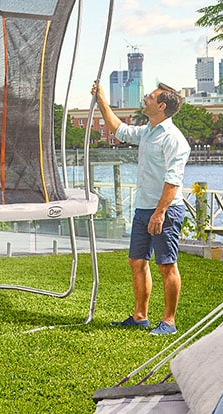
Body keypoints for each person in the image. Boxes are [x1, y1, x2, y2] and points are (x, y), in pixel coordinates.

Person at [92, 82, 190, 336]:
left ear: (161, 106)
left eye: (150, 97)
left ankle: (168, 321)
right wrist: (102, 99)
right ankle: (140, 317)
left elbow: (173, 181)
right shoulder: (148, 131)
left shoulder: (173, 139)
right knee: (137, 261)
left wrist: (160, 212)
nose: (145, 98)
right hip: (143, 208)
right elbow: (118, 129)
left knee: (166, 265)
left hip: (164, 210)